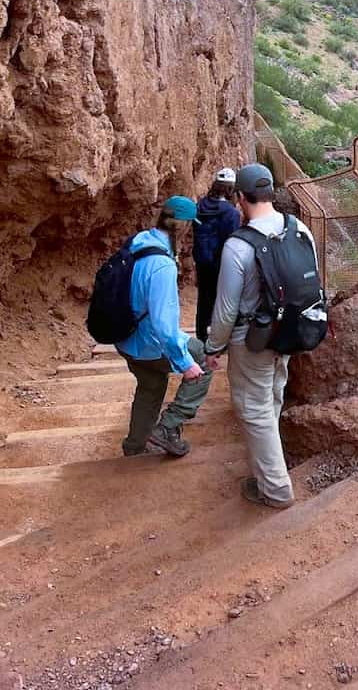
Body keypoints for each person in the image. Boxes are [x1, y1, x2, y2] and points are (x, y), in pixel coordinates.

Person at [204, 163, 318, 510]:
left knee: (254, 410)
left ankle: (276, 488)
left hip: (250, 341)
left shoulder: (238, 246)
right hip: (290, 333)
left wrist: (213, 347)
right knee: (271, 398)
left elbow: (225, 311)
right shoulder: (299, 229)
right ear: (271, 193)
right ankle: (268, 469)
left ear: (240, 197)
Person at [116, 195, 215, 457]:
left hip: (125, 338)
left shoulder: (138, 242)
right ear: (181, 225)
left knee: (150, 386)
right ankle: (167, 429)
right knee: (202, 362)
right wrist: (186, 364)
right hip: (148, 342)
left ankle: (135, 446)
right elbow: (163, 325)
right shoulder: (161, 265)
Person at [192, 168, 241, 342]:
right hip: (221, 262)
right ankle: (219, 338)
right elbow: (232, 240)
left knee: (204, 297)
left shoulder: (200, 206)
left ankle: (201, 334)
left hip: (202, 260)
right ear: (231, 189)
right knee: (223, 299)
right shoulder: (230, 213)